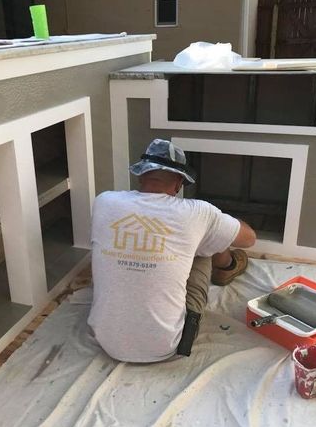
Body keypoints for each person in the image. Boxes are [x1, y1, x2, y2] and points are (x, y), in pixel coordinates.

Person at [87, 139, 256, 362]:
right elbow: (249, 238)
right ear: (179, 184)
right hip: (167, 344)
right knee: (205, 239)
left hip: (107, 340)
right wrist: (219, 222)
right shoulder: (198, 213)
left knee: (196, 237)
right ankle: (227, 266)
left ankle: (224, 262)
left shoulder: (104, 201)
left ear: (141, 175)